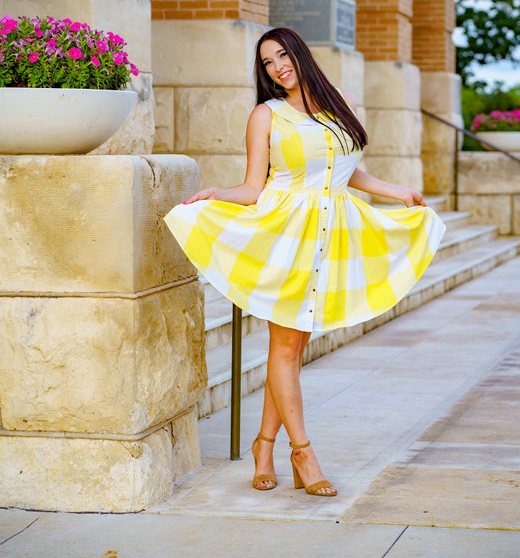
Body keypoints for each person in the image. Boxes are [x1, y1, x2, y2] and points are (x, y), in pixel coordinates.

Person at [165, 27, 445, 498]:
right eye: (267, 62)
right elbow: (253, 186)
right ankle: (303, 453)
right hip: (286, 235)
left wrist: (398, 192)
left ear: (299, 54)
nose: (277, 67)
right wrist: (217, 194)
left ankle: (263, 446)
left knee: (293, 350)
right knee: (286, 347)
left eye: (282, 55)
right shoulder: (266, 114)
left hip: (330, 236)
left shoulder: (339, 102)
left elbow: (345, 170)